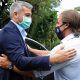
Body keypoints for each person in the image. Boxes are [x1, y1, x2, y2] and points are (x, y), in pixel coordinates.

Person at [0, 1, 76, 80]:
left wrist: (32, 50)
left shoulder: (17, 32)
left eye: (30, 16)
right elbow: (21, 62)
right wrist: (54, 59)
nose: (30, 19)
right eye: (27, 15)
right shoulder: (9, 33)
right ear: (15, 14)